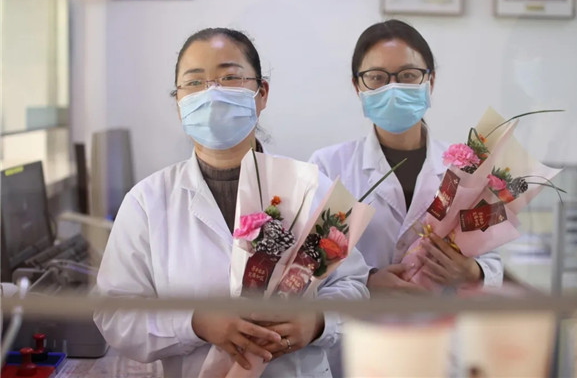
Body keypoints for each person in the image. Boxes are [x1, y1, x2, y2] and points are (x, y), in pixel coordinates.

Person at [93, 27, 370, 378]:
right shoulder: (147, 202)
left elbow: (354, 286)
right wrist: (194, 323)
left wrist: (317, 322)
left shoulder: (312, 188)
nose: (212, 93)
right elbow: (114, 313)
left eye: (229, 78)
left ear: (261, 93)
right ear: (179, 103)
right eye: (194, 82)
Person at [309, 19, 503, 293]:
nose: (393, 88)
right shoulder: (327, 166)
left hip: (440, 316)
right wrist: (366, 282)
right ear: (357, 86)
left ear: (430, 82)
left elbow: (492, 260)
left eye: (408, 75)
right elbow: (307, 261)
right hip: (360, 318)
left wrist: (473, 271)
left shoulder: (467, 167)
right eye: (377, 77)